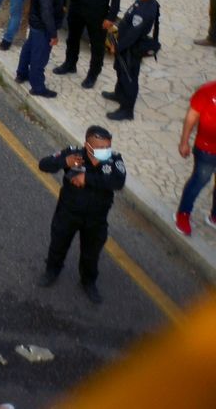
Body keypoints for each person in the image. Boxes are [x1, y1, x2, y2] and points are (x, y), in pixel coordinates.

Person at [38, 126, 126, 303]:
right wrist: (65, 162)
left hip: (96, 220)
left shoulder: (114, 161)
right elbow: (44, 164)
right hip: (68, 213)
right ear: (88, 145)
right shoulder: (74, 154)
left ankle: (88, 282)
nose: (105, 150)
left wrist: (87, 179)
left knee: (91, 254)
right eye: (100, 147)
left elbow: (118, 182)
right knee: (58, 244)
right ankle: (52, 271)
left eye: (107, 146)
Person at [104, 0, 160, 121]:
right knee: (120, 70)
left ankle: (127, 110)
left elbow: (133, 34)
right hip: (125, 42)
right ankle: (119, 94)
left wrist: (118, 47)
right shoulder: (142, 1)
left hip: (131, 47)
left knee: (129, 78)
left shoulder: (144, 10)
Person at [16, 0, 63, 98]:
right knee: (39, 57)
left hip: (36, 24)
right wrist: (53, 34)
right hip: (43, 27)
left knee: (29, 48)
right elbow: (46, 13)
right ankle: (38, 87)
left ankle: (22, 73)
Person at [175, 79, 216, 236]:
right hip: (206, 150)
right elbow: (192, 116)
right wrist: (184, 142)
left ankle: (214, 216)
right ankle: (183, 214)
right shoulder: (207, 91)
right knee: (199, 181)